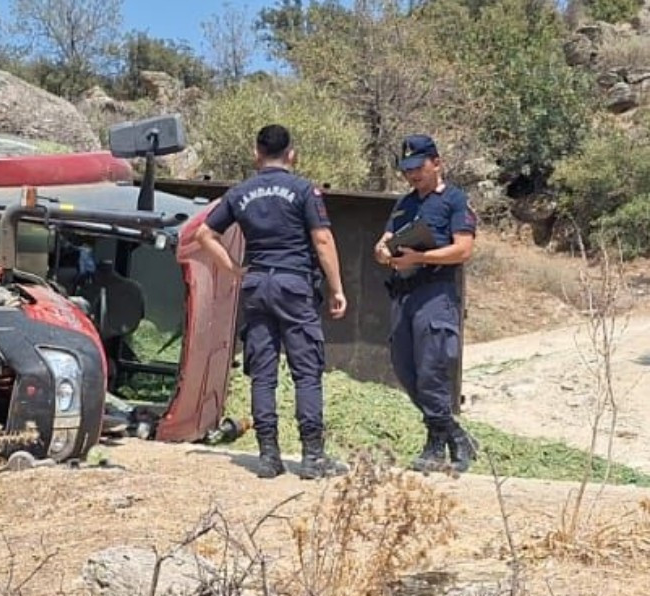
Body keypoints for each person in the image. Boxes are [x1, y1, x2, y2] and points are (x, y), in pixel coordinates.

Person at [194, 124, 348, 480]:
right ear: (291, 154)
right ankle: (312, 458)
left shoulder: (240, 193)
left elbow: (205, 234)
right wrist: (337, 288)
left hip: (257, 284)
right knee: (306, 372)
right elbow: (322, 240)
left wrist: (234, 269)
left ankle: (268, 456)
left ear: (256, 153)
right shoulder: (303, 190)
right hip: (294, 285)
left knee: (262, 374)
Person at [372, 134, 479, 473]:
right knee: (407, 370)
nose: (413, 175)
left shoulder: (454, 200)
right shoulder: (404, 204)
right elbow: (385, 241)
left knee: (433, 368)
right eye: (407, 170)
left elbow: (463, 249)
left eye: (418, 167)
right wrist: (383, 252)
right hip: (404, 293)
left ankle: (436, 444)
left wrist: (422, 256)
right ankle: (456, 435)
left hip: (435, 292)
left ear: (436, 163)